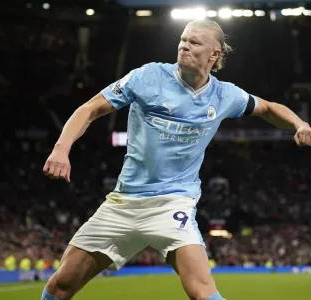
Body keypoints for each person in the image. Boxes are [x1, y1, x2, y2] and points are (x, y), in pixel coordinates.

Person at [41, 19, 311, 300]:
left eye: (195, 42)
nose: (184, 45)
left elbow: (267, 108)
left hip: (173, 204)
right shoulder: (148, 77)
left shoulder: (224, 95)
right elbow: (91, 108)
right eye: (183, 39)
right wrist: (61, 149)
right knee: (61, 285)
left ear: (214, 54)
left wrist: (299, 123)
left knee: (202, 292)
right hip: (124, 202)